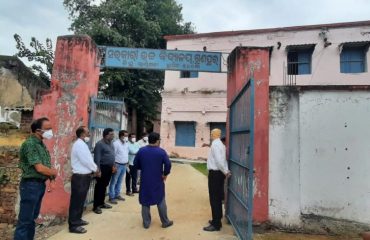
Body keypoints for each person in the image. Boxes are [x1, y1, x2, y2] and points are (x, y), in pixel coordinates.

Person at [14, 117, 58, 240]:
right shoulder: (30, 144)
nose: (51, 132)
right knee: (25, 221)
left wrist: (52, 179)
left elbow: (46, 165)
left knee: (32, 218)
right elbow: (39, 168)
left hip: (38, 185)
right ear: (38, 130)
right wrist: (53, 172)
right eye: (48, 129)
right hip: (30, 185)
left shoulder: (41, 145)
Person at [134, 132, 173, 229]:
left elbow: (136, 164)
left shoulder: (141, 151)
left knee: (145, 200)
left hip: (145, 179)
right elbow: (168, 164)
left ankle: (146, 223)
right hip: (157, 179)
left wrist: (143, 168)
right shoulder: (161, 152)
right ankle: (165, 221)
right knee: (160, 199)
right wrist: (165, 174)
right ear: (157, 141)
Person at [68, 126, 98, 234]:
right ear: (82, 134)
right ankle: (73, 225)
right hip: (80, 177)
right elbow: (86, 160)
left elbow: (88, 159)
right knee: (76, 201)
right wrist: (96, 169)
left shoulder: (82, 144)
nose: (89, 134)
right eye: (88, 132)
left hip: (84, 176)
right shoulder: (79, 145)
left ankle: (78, 219)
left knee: (81, 200)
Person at [203, 128, 231, 232]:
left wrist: (226, 171)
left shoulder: (215, 144)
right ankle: (217, 219)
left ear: (216, 134)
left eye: (212, 133)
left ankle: (216, 224)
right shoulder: (220, 144)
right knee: (218, 198)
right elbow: (223, 159)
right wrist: (225, 171)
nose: (211, 134)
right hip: (219, 173)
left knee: (214, 198)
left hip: (215, 174)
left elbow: (219, 161)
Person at [93, 128, 115, 214]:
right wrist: (98, 170)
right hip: (102, 167)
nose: (113, 136)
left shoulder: (111, 143)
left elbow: (112, 155)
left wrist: (113, 165)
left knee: (105, 186)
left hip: (109, 168)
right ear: (106, 136)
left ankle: (102, 203)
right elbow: (97, 158)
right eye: (111, 134)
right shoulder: (100, 144)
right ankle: (96, 206)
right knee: (99, 186)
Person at [109, 130, 129, 204]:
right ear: (121, 136)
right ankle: (111, 197)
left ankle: (117, 194)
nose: (126, 137)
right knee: (114, 181)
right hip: (117, 164)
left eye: (127, 136)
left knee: (120, 181)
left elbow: (126, 154)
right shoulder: (116, 144)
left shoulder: (126, 144)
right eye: (125, 136)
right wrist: (114, 166)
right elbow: (113, 155)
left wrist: (127, 163)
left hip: (124, 165)